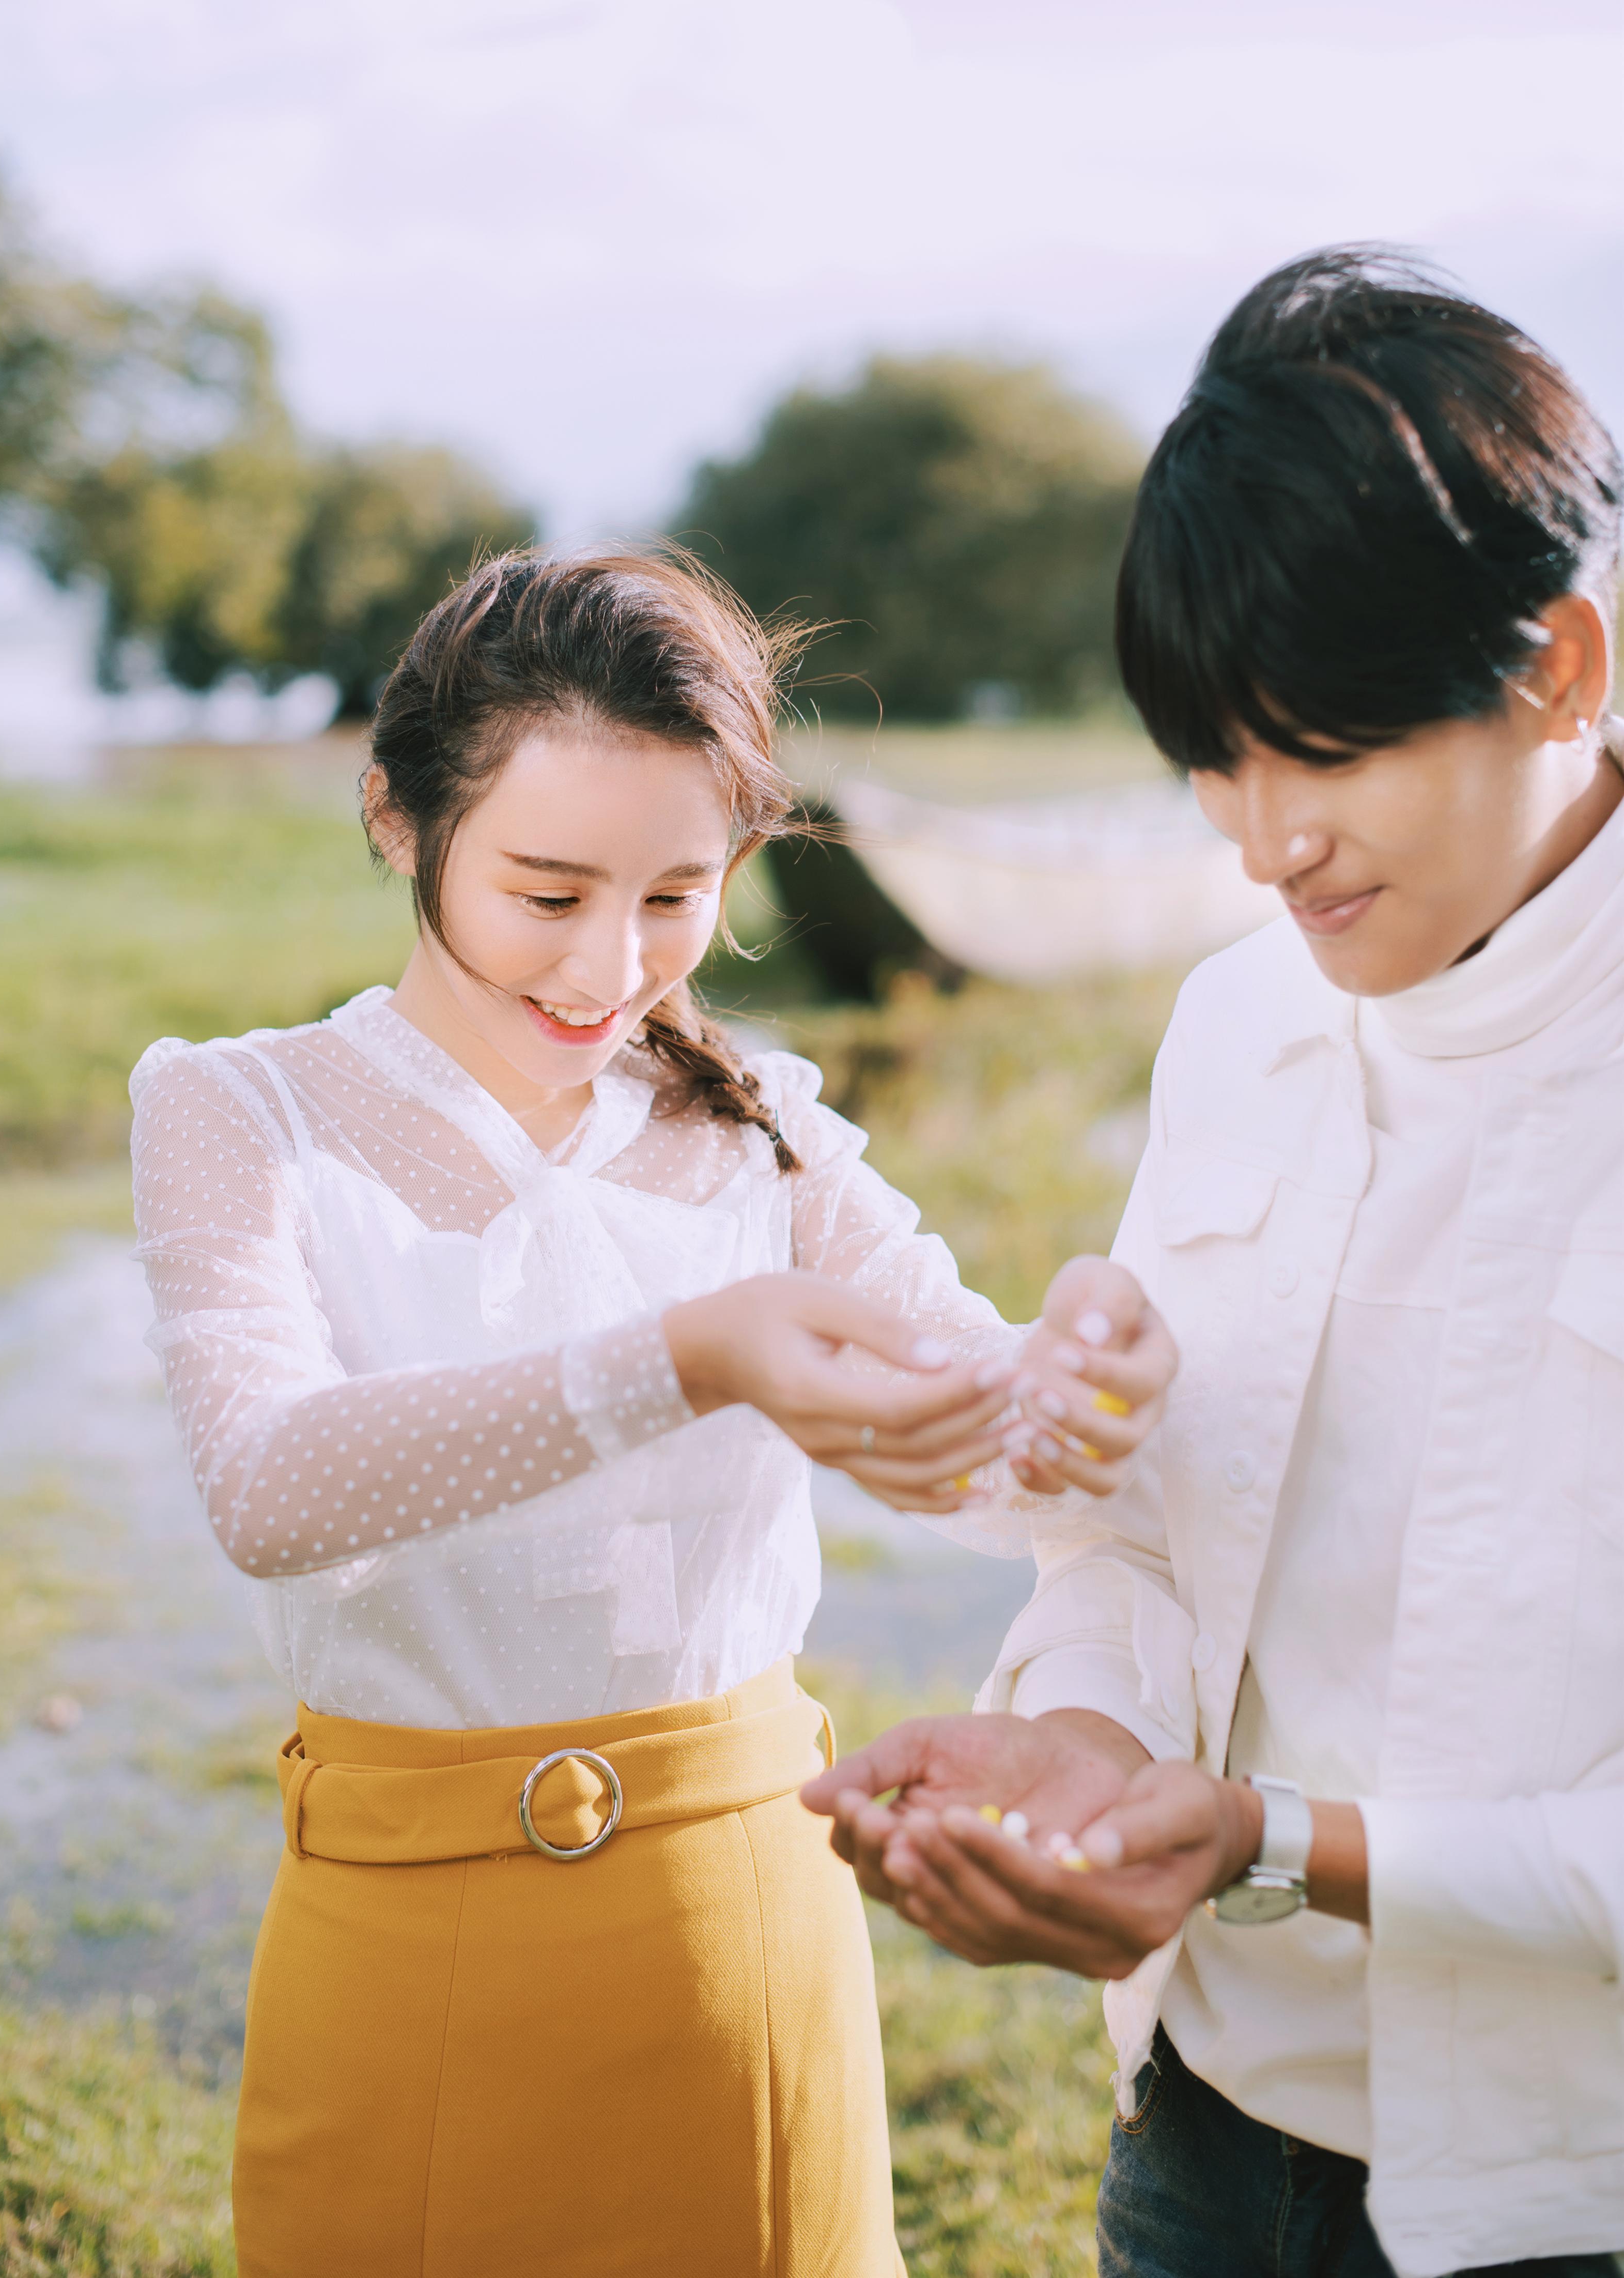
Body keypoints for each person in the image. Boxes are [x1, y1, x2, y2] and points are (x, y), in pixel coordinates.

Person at [129, 547, 1176, 2278]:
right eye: (548, 893)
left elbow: (1002, 1456)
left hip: (742, 1927)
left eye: (676, 895)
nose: (610, 967)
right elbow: (268, 1480)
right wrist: (687, 1357)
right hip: (402, 1931)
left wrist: (1084, 1362)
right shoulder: (245, 1113)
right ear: (400, 822)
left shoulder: (759, 1121)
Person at [806, 251, 1624, 2278]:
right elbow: (1144, 1544)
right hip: (1203, 2141)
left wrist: (1275, 1841)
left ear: (1559, 668)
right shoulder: (1231, 1024)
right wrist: (1083, 1738)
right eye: (1211, 754)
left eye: (1326, 749)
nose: (1265, 842)